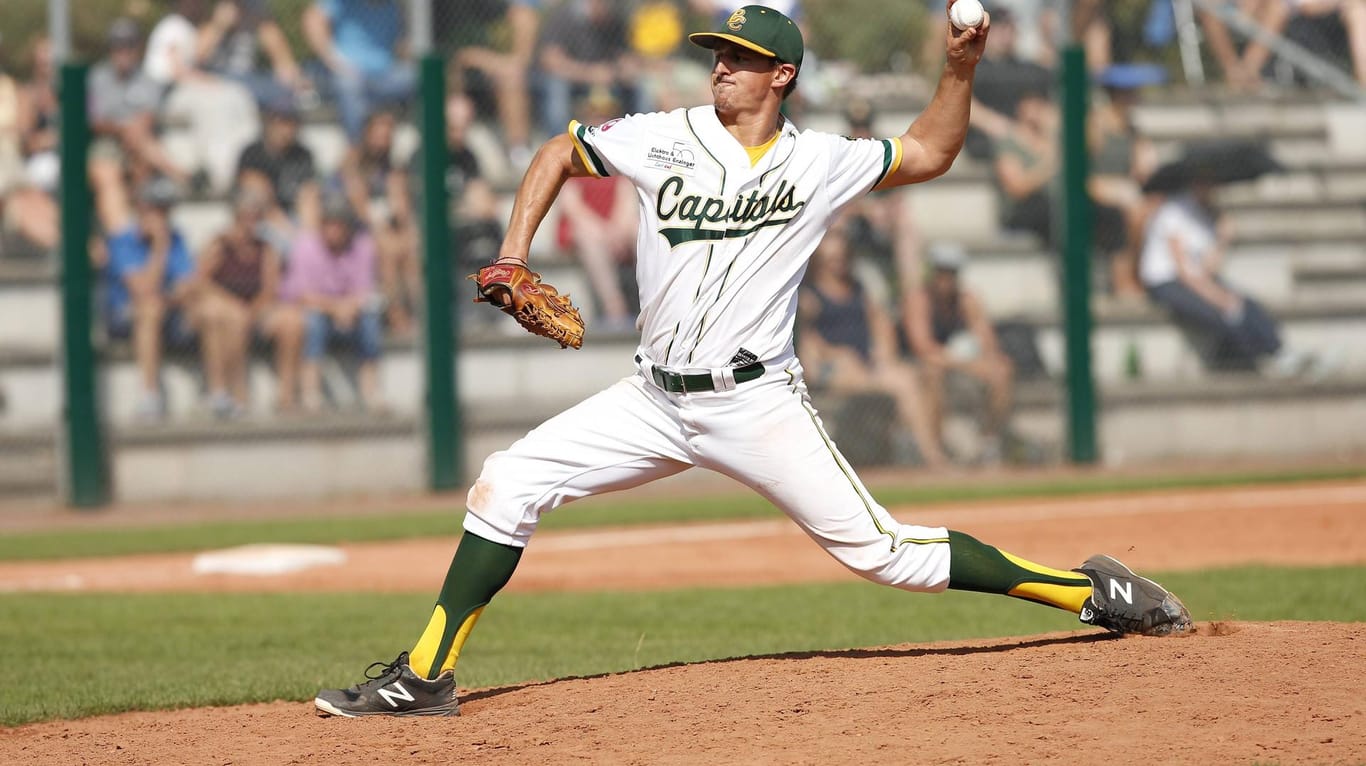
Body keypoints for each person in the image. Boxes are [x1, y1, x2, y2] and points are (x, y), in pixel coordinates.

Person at [314, 3, 1192, 718]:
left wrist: (958, 68)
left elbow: (930, 151)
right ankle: (424, 676)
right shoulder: (664, 135)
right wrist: (512, 255)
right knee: (507, 482)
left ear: (783, 76)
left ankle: (1087, 592)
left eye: (739, 56)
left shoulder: (820, 162)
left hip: (755, 401)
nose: (720, 66)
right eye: (717, 53)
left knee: (887, 555)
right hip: (652, 399)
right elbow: (558, 150)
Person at [798, 214, 949, 469]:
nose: (839, 256)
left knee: (917, 376)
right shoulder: (809, 295)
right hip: (832, 368)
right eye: (832, 246)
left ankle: (929, 449)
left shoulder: (858, 288)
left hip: (866, 367)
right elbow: (806, 345)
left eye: (842, 248)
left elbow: (881, 325)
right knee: (897, 385)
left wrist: (884, 353)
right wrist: (832, 354)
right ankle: (929, 456)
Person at [1139, 179, 1320, 377]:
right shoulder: (1173, 211)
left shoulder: (1206, 214)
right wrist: (1218, 297)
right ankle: (1255, 362)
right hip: (1166, 282)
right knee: (1224, 314)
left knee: (1248, 305)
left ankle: (1280, 353)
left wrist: (1222, 239)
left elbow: (1208, 268)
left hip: (1194, 279)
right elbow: (1183, 273)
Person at [187, 188, 305, 417]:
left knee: (292, 322)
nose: (250, 223)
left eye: (255, 218)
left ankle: (287, 396)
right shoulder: (219, 245)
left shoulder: (266, 248)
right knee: (226, 316)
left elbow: (270, 288)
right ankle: (228, 392)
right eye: (245, 217)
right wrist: (233, 305)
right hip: (223, 306)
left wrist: (253, 310)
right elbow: (200, 282)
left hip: (256, 307)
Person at [905, 242, 1014, 466]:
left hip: (959, 366)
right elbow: (923, 348)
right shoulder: (919, 299)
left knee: (1002, 370)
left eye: (951, 272)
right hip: (924, 368)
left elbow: (988, 344)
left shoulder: (967, 301)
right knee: (932, 371)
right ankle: (935, 452)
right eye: (940, 271)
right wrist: (967, 364)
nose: (945, 278)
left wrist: (986, 363)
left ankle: (988, 443)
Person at [101, 177, 197, 421]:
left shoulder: (177, 239)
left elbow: (188, 285)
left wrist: (177, 295)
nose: (161, 216)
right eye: (156, 208)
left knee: (216, 311)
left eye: (166, 209)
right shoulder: (123, 241)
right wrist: (159, 246)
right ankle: (149, 396)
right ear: (141, 208)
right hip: (125, 316)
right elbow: (144, 289)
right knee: (150, 309)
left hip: (169, 310)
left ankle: (221, 394)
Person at [282, 193, 386, 413]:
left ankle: (371, 392)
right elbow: (302, 295)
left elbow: (366, 290)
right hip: (318, 311)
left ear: (348, 227)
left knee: (370, 320)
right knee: (314, 322)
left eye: (339, 225)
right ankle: (312, 393)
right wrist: (336, 307)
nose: (333, 231)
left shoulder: (363, 246)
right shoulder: (306, 247)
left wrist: (349, 307)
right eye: (329, 224)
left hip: (351, 312)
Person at [88, 18, 190, 234]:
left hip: (141, 147)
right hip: (108, 145)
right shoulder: (96, 78)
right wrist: (122, 128)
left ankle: (139, 228)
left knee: (140, 158)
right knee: (108, 176)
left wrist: (129, 129)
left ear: (138, 48)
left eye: (129, 45)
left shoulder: (148, 80)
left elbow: (148, 117)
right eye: (118, 45)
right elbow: (95, 121)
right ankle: (180, 174)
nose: (123, 51)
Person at [553, 89, 639, 330]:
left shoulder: (623, 152)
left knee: (637, 227)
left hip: (613, 227)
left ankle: (652, 303)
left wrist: (617, 229)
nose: (600, 121)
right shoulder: (571, 151)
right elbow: (572, 207)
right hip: (584, 228)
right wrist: (605, 231)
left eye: (605, 115)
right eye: (594, 115)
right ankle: (615, 309)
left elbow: (626, 199)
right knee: (588, 234)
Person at [335, 109, 419, 335]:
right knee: (388, 250)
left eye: (387, 135)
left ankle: (419, 310)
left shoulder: (393, 168)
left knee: (411, 247)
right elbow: (360, 207)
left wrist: (406, 228)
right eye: (378, 134)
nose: (383, 141)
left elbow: (401, 209)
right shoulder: (352, 163)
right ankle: (395, 314)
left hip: (387, 227)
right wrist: (383, 229)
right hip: (355, 229)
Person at [434, 0, 541, 168]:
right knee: (456, 88)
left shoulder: (511, 11)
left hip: (509, 78)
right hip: (467, 78)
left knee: (511, 81)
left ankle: (518, 150)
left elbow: (519, 62)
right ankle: (452, 153)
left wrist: (488, 60)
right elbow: (461, 55)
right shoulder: (455, 10)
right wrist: (493, 64)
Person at [303, 0, 416, 141]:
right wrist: (335, 61)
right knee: (348, 86)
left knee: (420, 78)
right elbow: (312, 21)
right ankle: (358, 147)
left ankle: (428, 142)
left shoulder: (392, 7)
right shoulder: (340, 3)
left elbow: (402, 46)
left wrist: (411, 56)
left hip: (386, 77)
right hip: (348, 75)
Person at [536, 0, 649, 139]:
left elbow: (625, 55)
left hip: (608, 77)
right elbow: (550, 61)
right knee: (556, 87)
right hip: (573, 79)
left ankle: (639, 138)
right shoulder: (564, 15)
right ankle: (558, 139)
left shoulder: (616, 19)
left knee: (640, 86)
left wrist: (625, 68)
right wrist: (590, 73)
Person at [234, 93, 321, 246]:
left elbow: (309, 195)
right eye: (282, 122)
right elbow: (262, 202)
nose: (286, 129)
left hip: (295, 219)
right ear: (270, 122)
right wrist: (293, 236)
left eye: (292, 122)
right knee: (284, 244)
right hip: (260, 221)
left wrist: (308, 237)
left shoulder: (303, 155)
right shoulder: (252, 154)